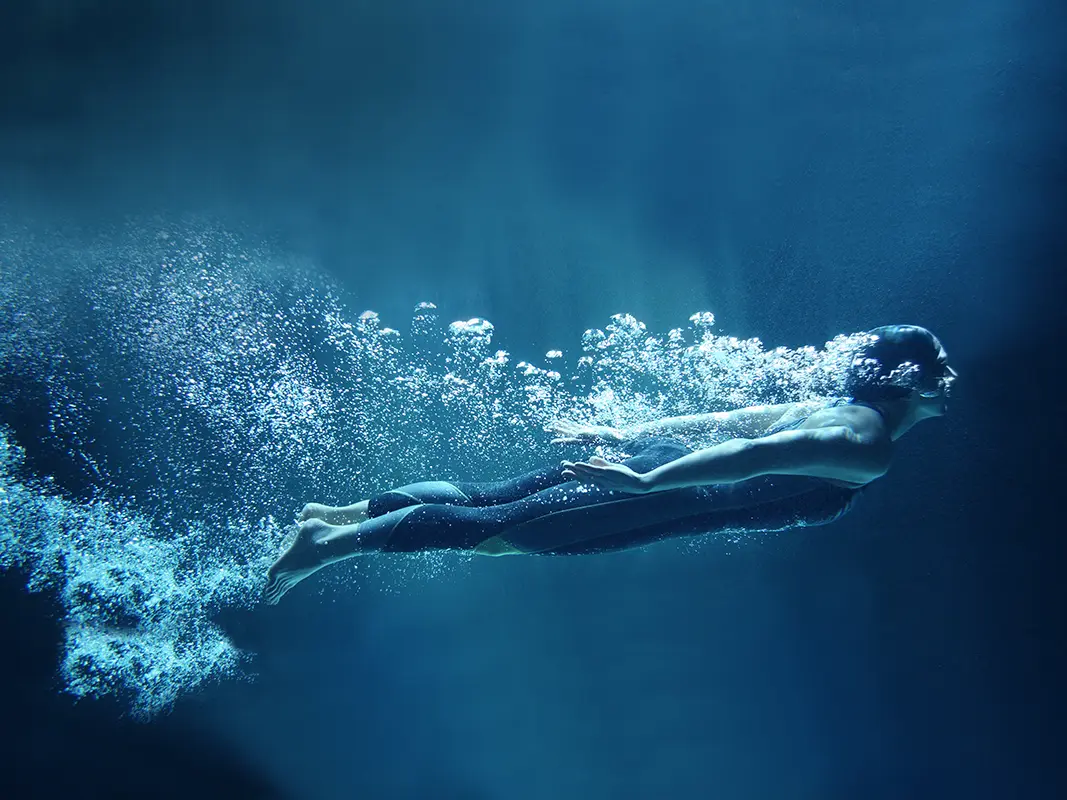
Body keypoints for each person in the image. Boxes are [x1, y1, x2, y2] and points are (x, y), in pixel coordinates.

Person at [264, 324, 957, 604]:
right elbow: (748, 454)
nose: (950, 375)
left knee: (486, 498)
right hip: (660, 493)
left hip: (657, 471)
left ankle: (341, 515)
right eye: (940, 367)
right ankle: (327, 544)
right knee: (501, 533)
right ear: (909, 379)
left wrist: (629, 436)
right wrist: (644, 478)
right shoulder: (868, 444)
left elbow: (723, 422)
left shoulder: (833, 407)